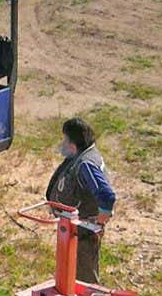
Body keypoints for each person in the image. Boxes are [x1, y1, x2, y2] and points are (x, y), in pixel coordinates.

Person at [46, 117, 115, 284]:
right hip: (73, 230)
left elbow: (107, 196)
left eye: (64, 139)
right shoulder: (83, 154)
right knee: (71, 274)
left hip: (83, 232)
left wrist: (100, 219)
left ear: (72, 144)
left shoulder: (86, 164)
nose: (62, 143)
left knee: (84, 280)